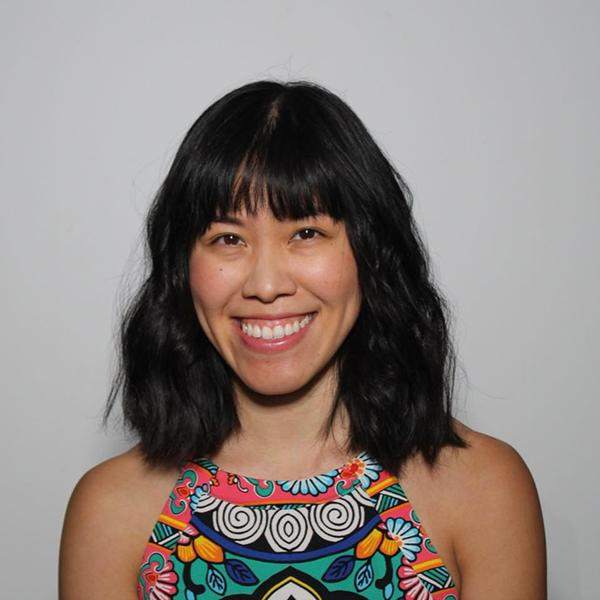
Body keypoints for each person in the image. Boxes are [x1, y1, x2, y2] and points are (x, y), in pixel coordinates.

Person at [59, 80, 546, 599]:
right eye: (228, 239)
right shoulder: (112, 509)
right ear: (183, 268)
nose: (266, 285)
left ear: (370, 253)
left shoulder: (484, 490)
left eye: (306, 233)